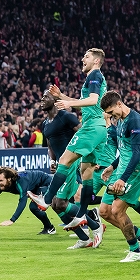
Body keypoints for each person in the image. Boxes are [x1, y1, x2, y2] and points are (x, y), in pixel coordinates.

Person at [27, 48, 107, 237]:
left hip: (91, 126)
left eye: (86, 56)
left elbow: (93, 100)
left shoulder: (94, 75)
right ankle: (84, 217)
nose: (82, 59)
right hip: (99, 128)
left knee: (64, 160)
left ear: (96, 61)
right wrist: (62, 97)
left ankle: (46, 199)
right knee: (86, 173)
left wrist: (69, 104)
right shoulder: (94, 77)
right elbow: (88, 101)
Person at [39, 89, 102, 248]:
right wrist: (53, 161)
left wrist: (90, 158)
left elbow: (85, 135)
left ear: (55, 100)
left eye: (46, 96)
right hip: (61, 166)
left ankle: (94, 225)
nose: (42, 99)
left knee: (60, 202)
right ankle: (85, 236)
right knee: (57, 204)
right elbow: (50, 145)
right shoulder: (45, 123)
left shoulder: (66, 117)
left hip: (72, 164)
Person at [98, 91, 140, 262]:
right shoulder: (120, 121)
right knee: (104, 212)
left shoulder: (135, 121)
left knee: (117, 210)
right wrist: (112, 167)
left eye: (110, 111)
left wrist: (123, 178)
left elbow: (136, 154)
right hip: (120, 171)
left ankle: (135, 250)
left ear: (119, 104)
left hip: (134, 172)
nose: (110, 116)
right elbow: (124, 151)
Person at [0, 167, 55, 233]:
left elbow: (22, 201)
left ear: (9, 179)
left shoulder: (21, 182)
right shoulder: (0, 186)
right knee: (53, 204)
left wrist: (12, 220)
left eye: (1, 180)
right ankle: (51, 227)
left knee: (34, 207)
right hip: (34, 188)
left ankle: (50, 228)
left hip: (45, 182)